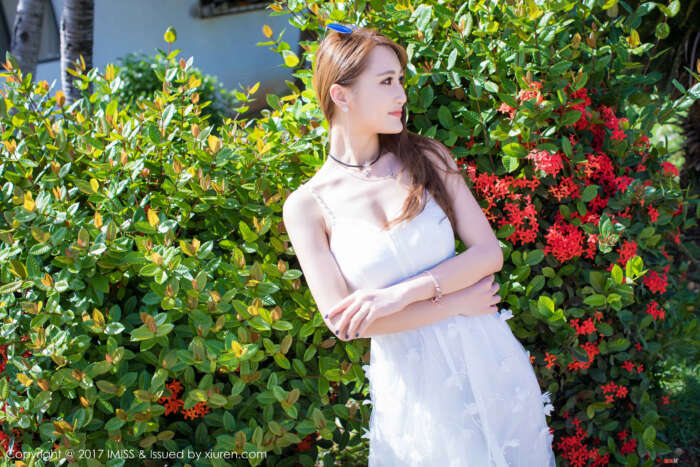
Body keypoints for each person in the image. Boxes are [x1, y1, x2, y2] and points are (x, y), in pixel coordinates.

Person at [282, 23, 556, 467]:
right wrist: (455, 303)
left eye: (400, 80)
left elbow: (488, 254)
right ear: (341, 95)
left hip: (486, 357)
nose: (402, 95)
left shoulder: (428, 157)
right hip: (414, 390)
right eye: (386, 82)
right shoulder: (306, 206)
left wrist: (398, 295)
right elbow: (346, 323)